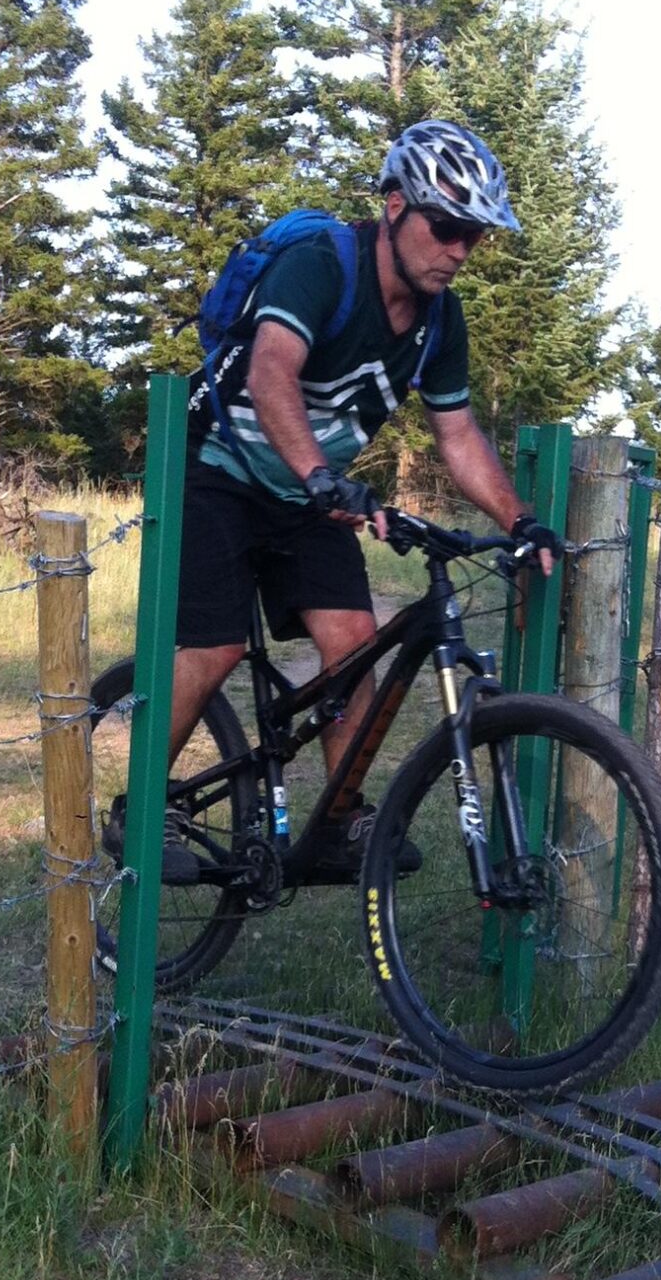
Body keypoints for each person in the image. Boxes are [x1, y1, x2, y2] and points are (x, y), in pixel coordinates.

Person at [155, 120, 560, 880]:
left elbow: (459, 433)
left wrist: (520, 519)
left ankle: (337, 822)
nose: (460, 251)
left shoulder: (441, 319)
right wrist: (317, 474)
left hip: (310, 493)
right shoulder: (320, 267)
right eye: (447, 227)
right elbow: (272, 372)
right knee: (213, 649)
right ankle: (140, 805)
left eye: (474, 235)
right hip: (219, 469)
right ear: (397, 205)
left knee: (352, 644)